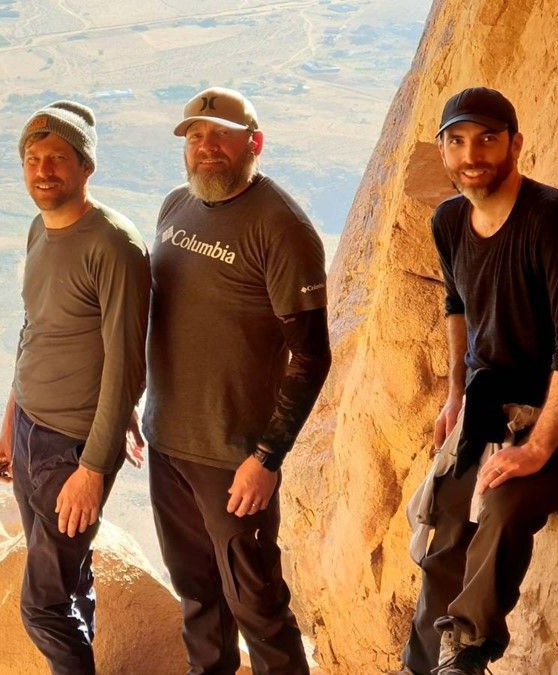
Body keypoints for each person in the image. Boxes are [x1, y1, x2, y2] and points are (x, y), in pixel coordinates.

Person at [395, 87, 558, 675]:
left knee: (501, 508)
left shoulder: (553, 218)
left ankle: (466, 655)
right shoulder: (449, 220)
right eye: (457, 141)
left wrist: (539, 448)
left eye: (488, 139)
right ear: (443, 151)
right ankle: (422, 665)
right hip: (491, 404)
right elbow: (456, 304)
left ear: (515, 144)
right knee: (446, 523)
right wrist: (454, 395)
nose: (472, 154)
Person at [143, 86, 331, 675]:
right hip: (168, 442)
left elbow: (311, 357)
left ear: (255, 142)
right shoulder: (175, 207)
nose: (207, 147)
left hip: (233, 458)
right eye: (196, 136)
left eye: (221, 134)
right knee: (198, 597)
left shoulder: (282, 227)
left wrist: (267, 456)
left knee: (259, 607)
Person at [0, 101, 150, 675]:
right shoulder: (39, 229)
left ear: (86, 167)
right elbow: (35, 330)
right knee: (69, 582)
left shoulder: (114, 246)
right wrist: (10, 422)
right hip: (32, 430)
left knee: (43, 606)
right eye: (33, 158)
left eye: (58, 157)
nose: (43, 170)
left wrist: (93, 468)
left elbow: (127, 369)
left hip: (72, 447)